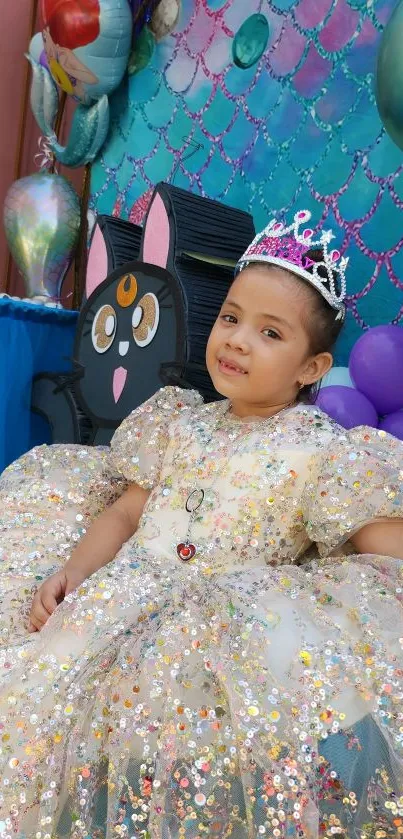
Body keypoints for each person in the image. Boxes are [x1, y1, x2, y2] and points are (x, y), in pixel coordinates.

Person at [0, 210, 402, 839]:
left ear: (311, 368)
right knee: (45, 713)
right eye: (230, 318)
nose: (237, 340)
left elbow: (383, 556)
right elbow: (128, 511)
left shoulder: (323, 454)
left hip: (216, 640)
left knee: (176, 772)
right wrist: (74, 570)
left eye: (270, 333)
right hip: (121, 601)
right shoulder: (178, 421)